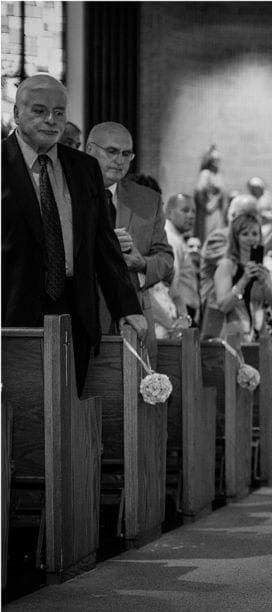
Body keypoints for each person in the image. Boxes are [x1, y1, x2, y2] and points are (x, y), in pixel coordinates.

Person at [1, 74, 145, 393]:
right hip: (11, 310)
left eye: (60, 112)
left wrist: (127, 307)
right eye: (39, 110)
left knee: (69, 414)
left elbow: (104, 245)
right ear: (16, 114)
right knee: (16, 420)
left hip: (74, 311)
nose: (51, 120)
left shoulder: (83, 168)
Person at [86, 122, 174, 340]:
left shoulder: (148, 200)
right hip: (84, 314)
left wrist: (142, 264)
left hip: (136, 317)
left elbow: (165, 257)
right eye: (112, 151)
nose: (119, 160)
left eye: (127, 154)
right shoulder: (68, 191)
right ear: (89, 149)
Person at [204, 213, 272, 341]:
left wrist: (265, 282)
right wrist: (244, 280)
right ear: (236, 237)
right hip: (232, 335)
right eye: (245, 234)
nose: (251, 239)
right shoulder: (227, 265)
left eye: (255, 234)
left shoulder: (262, 267)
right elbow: (224, 306)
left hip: (258, 335)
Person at [164, 193, 201, 324]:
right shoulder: (170, 238)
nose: (191, 216)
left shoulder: (176, 237)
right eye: (185, 210)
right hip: (179, 311)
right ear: (169, 213)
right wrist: (183, 314)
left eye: (193, 211)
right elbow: (170, 280)